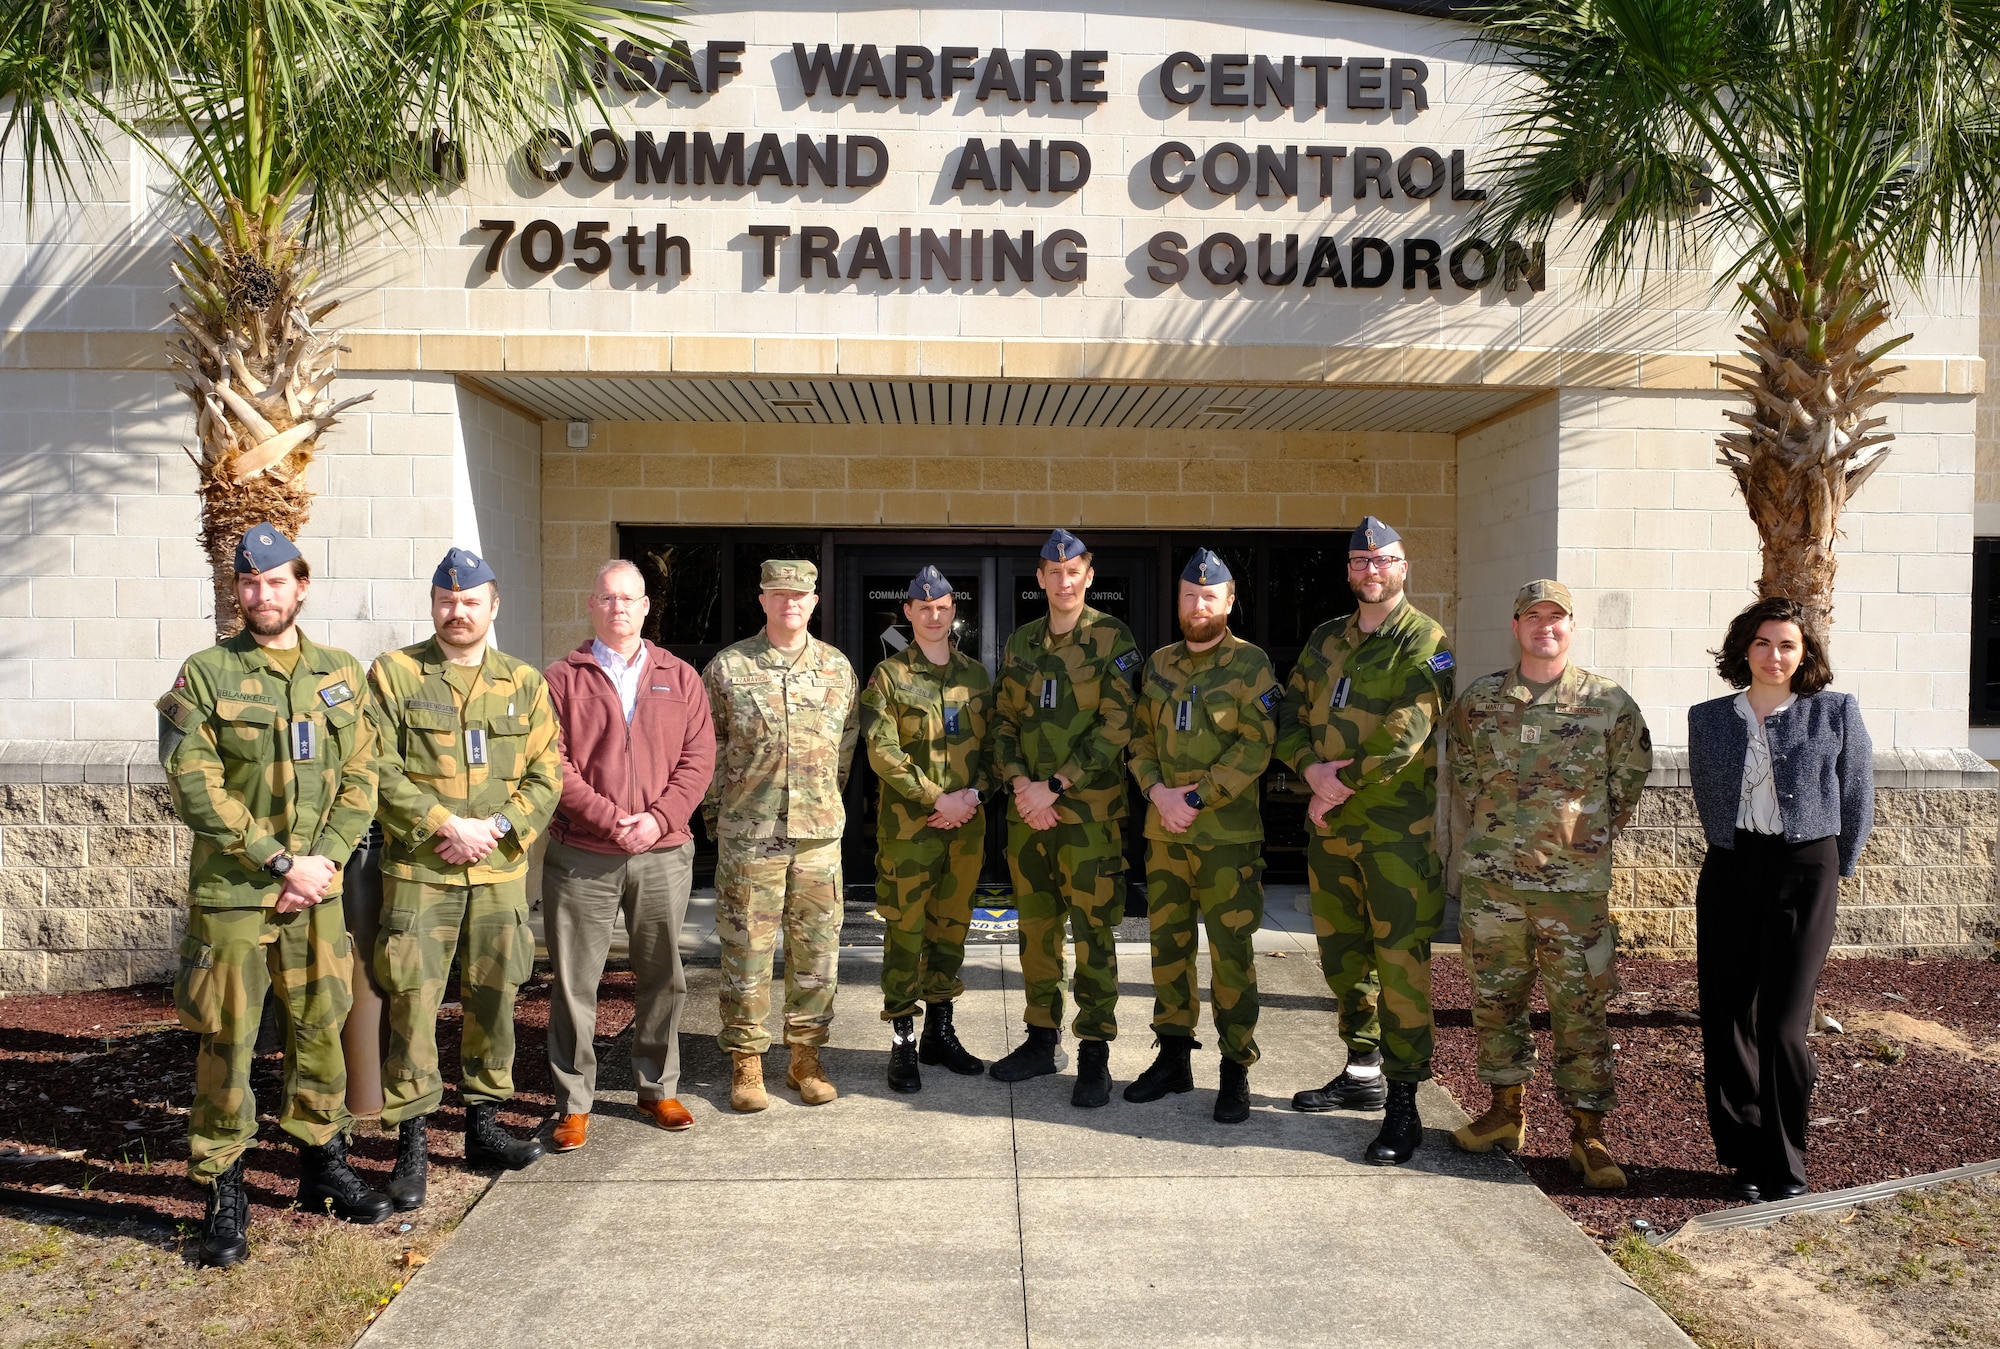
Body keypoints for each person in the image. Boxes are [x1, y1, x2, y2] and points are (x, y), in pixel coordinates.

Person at [155, 523, 391, 1268]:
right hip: (234, 896)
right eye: (250, 582)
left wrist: (322, 863)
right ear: (237, 590)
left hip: (318, 892)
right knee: (226, 1039)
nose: (262, 594)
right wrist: (281, 862)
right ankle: (223, 1188)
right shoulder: (205, 674)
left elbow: (364, 776)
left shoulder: (339, 672)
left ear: (302, 585)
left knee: (320, 1026)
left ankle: (322, 1167)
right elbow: (194, 785)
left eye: (276, 581)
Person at [367, 548, 562, 1209]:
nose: (459, 611)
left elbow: (546, 774)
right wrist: (444, 823)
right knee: (412, 1004)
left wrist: (497, 827)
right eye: (447, 600)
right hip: (421, 870)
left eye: (471, 600)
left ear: (493, 606)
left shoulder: (524, 683)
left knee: (495, 998)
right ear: (432, 604)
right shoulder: (394, 674)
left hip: (498, 870)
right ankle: (412, 1142)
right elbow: (376, 766)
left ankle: (484, 1126)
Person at [1445, 580, 1652, 1189]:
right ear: (1515, 626)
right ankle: (1504, 1113)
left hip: (1573, 890)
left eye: (1555, 616)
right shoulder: (1480, 700)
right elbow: (1463, 771)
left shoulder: (1608, 702)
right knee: (1495, 1000)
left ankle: (1588, 1134)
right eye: (1532, 616)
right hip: (1494, 885)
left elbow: (1628, 779)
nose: (1545, 626)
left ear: (1571, 625)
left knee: (1580, 1007)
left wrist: (1578, 838)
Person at [1278, 516, 1453, 1165]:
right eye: (1360, 561)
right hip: (1332, 835)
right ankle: (1361, 1072)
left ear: (1403, 567)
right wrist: (1309, 770)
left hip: (1394, 839)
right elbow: (1289, 714)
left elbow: (1405, 732)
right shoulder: (1326, 637)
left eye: (1382, 559)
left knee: (1400, 965)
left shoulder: (1425, 639)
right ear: (1349, 571)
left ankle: (1404, 1103)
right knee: (1343, 959)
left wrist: (1334, 784)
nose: (1370, 569)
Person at [1689, 596, 1873, 1203]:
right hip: (1731, 868)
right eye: (1763, 643)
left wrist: (1835, 868)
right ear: (1745, 649)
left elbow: (1857, 797)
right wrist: (1734, 850)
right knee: (1728, 1018)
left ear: (1805, 653)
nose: (1775, 655)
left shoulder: (1835, 711)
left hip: (1806, 870)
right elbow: (1707, 792)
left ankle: (1786, 1161)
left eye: (1788, 644)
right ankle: (1744, 1155)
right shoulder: (1708, 718)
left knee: (1784, 1026)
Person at [541, 559, 716, 1150]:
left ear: (646, 607)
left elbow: (699, 759)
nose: (619, 607)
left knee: (663, 974)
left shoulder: (680, 676)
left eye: (629, 598)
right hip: (583, 853)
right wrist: (611, 820)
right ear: (592, 605)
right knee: (575, 982)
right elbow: (552, 764)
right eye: (608, 598)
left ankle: (657, 1088)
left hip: (662, 852)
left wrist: (658, 819)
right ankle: (573, 1103)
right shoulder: (561, 679)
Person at [1124, 549, 1281, 1123]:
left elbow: (1257, 744)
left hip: (1225, 839)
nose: (1198, 606)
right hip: (1165, 833)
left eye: (1209, 597)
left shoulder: (1251, 664)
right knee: (1168, 948)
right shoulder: (1159, 664)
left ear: (1229, 602)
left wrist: (1194, 797)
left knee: (1230, 954)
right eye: (1189, 596)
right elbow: (1140, 738)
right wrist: (1157, 792)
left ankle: (1235, 1069)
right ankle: (1173, 1058)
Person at [989, 528, 1142, 1108]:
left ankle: (1095, 1053)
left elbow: (1118, 723)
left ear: (1088, 575)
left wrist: (1056, 786)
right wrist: (1022, 787)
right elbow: (1003, 721)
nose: (1063, 581)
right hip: (1029, 815)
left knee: (1093, 934)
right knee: (1036, 932)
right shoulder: (1021, 641)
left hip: (1087, 817)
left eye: (1073, 571)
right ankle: (1041, 1040)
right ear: (1040, 579)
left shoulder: (1112, 637)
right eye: (1053, 573)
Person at [703, 559, 860, 1112]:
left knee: (816, 950)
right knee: (746, 950)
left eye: (799, 595)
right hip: (750, 832)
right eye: (778, 594)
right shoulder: (729, 667)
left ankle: (805, 1058)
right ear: (762, 600)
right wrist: (718, 815)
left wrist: (823, 802)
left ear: (814, 602)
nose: (789, 602)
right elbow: (708, 746)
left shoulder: (837, 668)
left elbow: (845, 744)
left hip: (818, 836)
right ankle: (746, 1063)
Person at [860, 565, 992, 1092]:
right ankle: (903, 1041)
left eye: (942, 608)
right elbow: (881, 750)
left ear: (953, 611)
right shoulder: (889, 676)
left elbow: (996, 748)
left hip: (966, 829)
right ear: (909, 612)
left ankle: (940, 1030)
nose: (934, 616)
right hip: (909, 831)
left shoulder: (976, 677)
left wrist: (971, 797)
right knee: (906, 932)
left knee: (952, 929)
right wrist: (938, 797)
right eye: (924, 608)